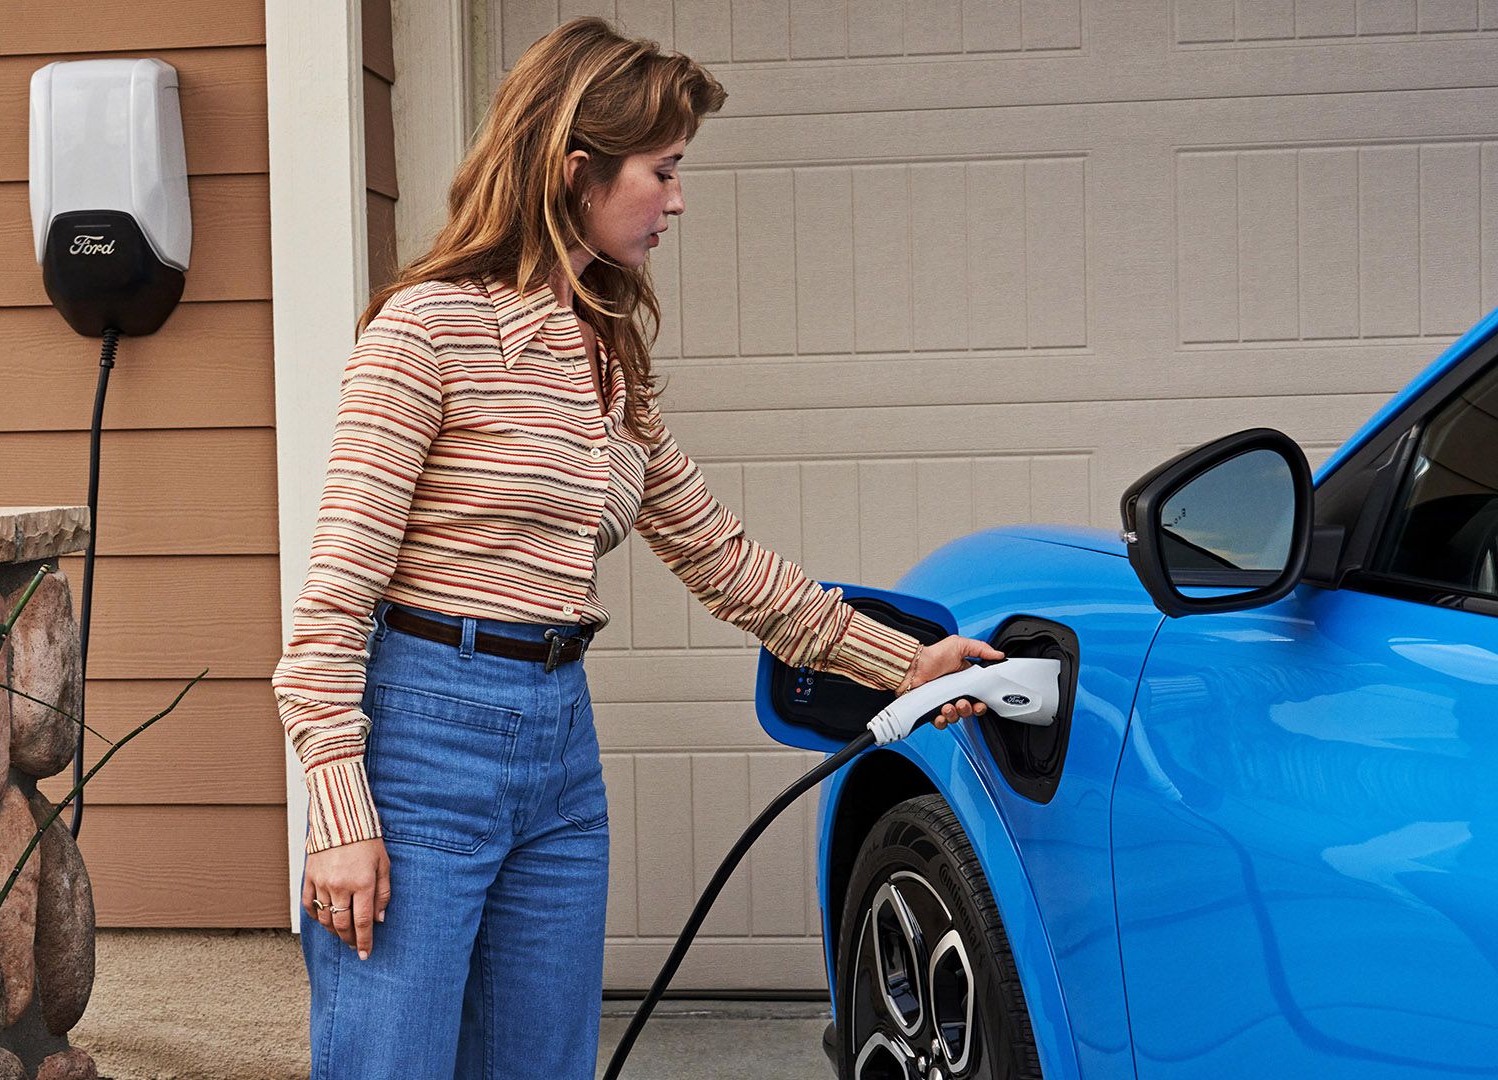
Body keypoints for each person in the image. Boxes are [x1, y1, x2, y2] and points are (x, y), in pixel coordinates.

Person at [271, 16, 1004, 1079]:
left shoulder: (603, 355)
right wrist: (339, 808)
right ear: (577, 171)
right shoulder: (424, 333)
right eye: (661, 170)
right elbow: (335, 597)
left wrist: (904, 665)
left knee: (544, 1064)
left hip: (559, 747)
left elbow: (724, 559)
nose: (677, 198)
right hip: (422, 741)